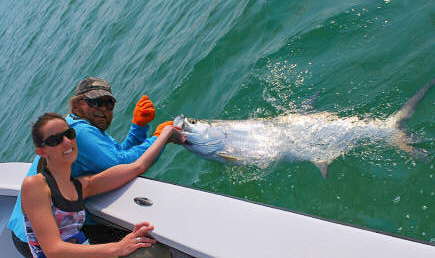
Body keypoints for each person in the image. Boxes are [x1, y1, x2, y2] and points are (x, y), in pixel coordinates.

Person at [8, 77, 173, 256]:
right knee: (152, 252)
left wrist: (139, 128)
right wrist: (159, 138)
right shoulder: (80, 132)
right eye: (95, 102)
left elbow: (119, 158)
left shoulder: (81, 131)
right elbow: (123, 163)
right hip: (40, 241)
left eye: (108, 103)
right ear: (77, 106)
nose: (103, 108)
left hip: (64, 227)